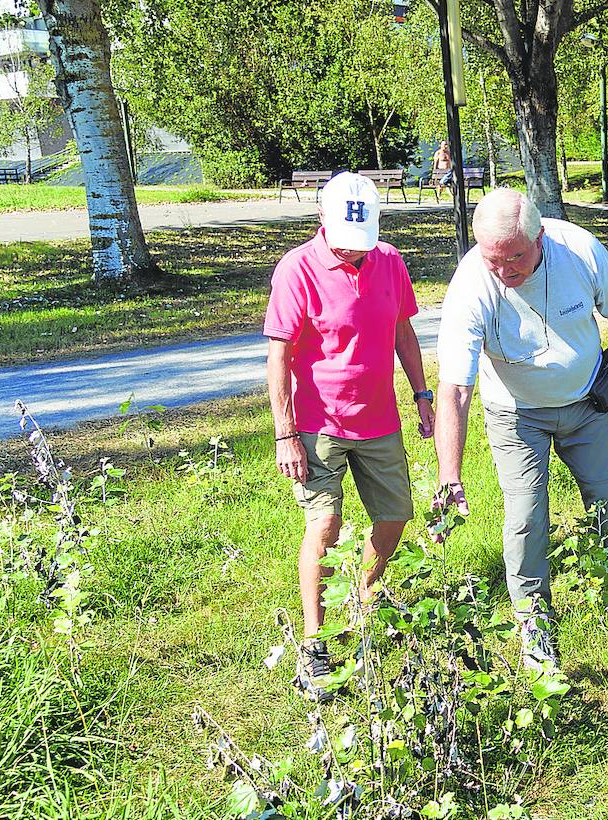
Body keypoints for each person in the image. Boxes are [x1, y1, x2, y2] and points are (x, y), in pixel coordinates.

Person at [432, 188, 608, 671]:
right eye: (494, 261)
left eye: (515, 259)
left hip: (587, 403)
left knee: (607, 502)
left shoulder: (579, 249)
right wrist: (451, 475)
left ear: (541, 237)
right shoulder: (472, 286)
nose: (505, 272)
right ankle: (534, 626)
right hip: (516, 413)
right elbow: (455, 390)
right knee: (527, 516)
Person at [264, 172, 436, 700]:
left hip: (379, 417)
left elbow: (403, 331)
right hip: (319, 423)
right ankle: (314, 645)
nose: (354, 251)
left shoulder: (390, 260)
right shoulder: (297, 269)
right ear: (322, 222)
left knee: (395, 515)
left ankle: (365, 596)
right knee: (327, 522)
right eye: (344, 240)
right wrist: (284, 433)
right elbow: (279, 355)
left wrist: (422, 395)